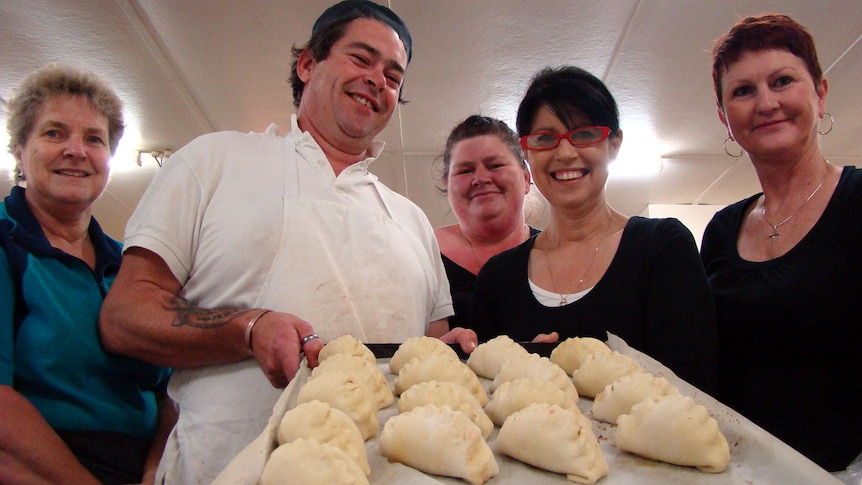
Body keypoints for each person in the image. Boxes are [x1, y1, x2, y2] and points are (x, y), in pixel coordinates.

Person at [98, 1, 475, 482]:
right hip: (218, 469)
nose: (379, 80)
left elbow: (428, 354)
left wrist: (455, 354)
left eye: (394, 75)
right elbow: (125, 316)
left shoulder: (412, 220)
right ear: (307, 64)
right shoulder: (214, 161)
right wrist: (247, 327)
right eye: (361, 59)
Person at [471, 66, 719, 392]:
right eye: (545, 139)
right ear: (527, 153)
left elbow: (695, 389)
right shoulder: (497, 278)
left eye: (584, 134)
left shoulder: (661, 247)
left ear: (613, 144)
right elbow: (483, 398)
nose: (564, 152)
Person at [702, 13, 862, 472]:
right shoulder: (719, 230)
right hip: (741, 470)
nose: (766, 102)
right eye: (743, 91)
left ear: (820, 93)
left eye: (783, 81)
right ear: (724, 117)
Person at [0, 63, 174, 484]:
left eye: (94, 138)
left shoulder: (133, 264)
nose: (76, 150)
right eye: (54, 133)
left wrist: (157, 470)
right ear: (20, 151)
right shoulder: (6, 244)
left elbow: (172, 389)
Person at [434, 115, 539, 329]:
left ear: (526, 178)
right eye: (464, 170)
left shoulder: (557, 252)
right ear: (447, 184)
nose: (481, 178)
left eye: (495, 165)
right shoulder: (421, 253)